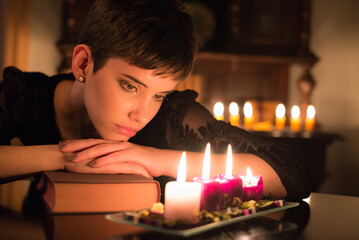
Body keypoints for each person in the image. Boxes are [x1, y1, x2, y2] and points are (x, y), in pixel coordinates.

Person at [0, 0, 311, 201]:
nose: (142, 115)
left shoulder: (174, 117)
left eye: (159, 94)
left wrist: (153, 158)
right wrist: (61, 158)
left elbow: (291, 174)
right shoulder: (24, 97)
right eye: (130, 86)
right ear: (84, 63)